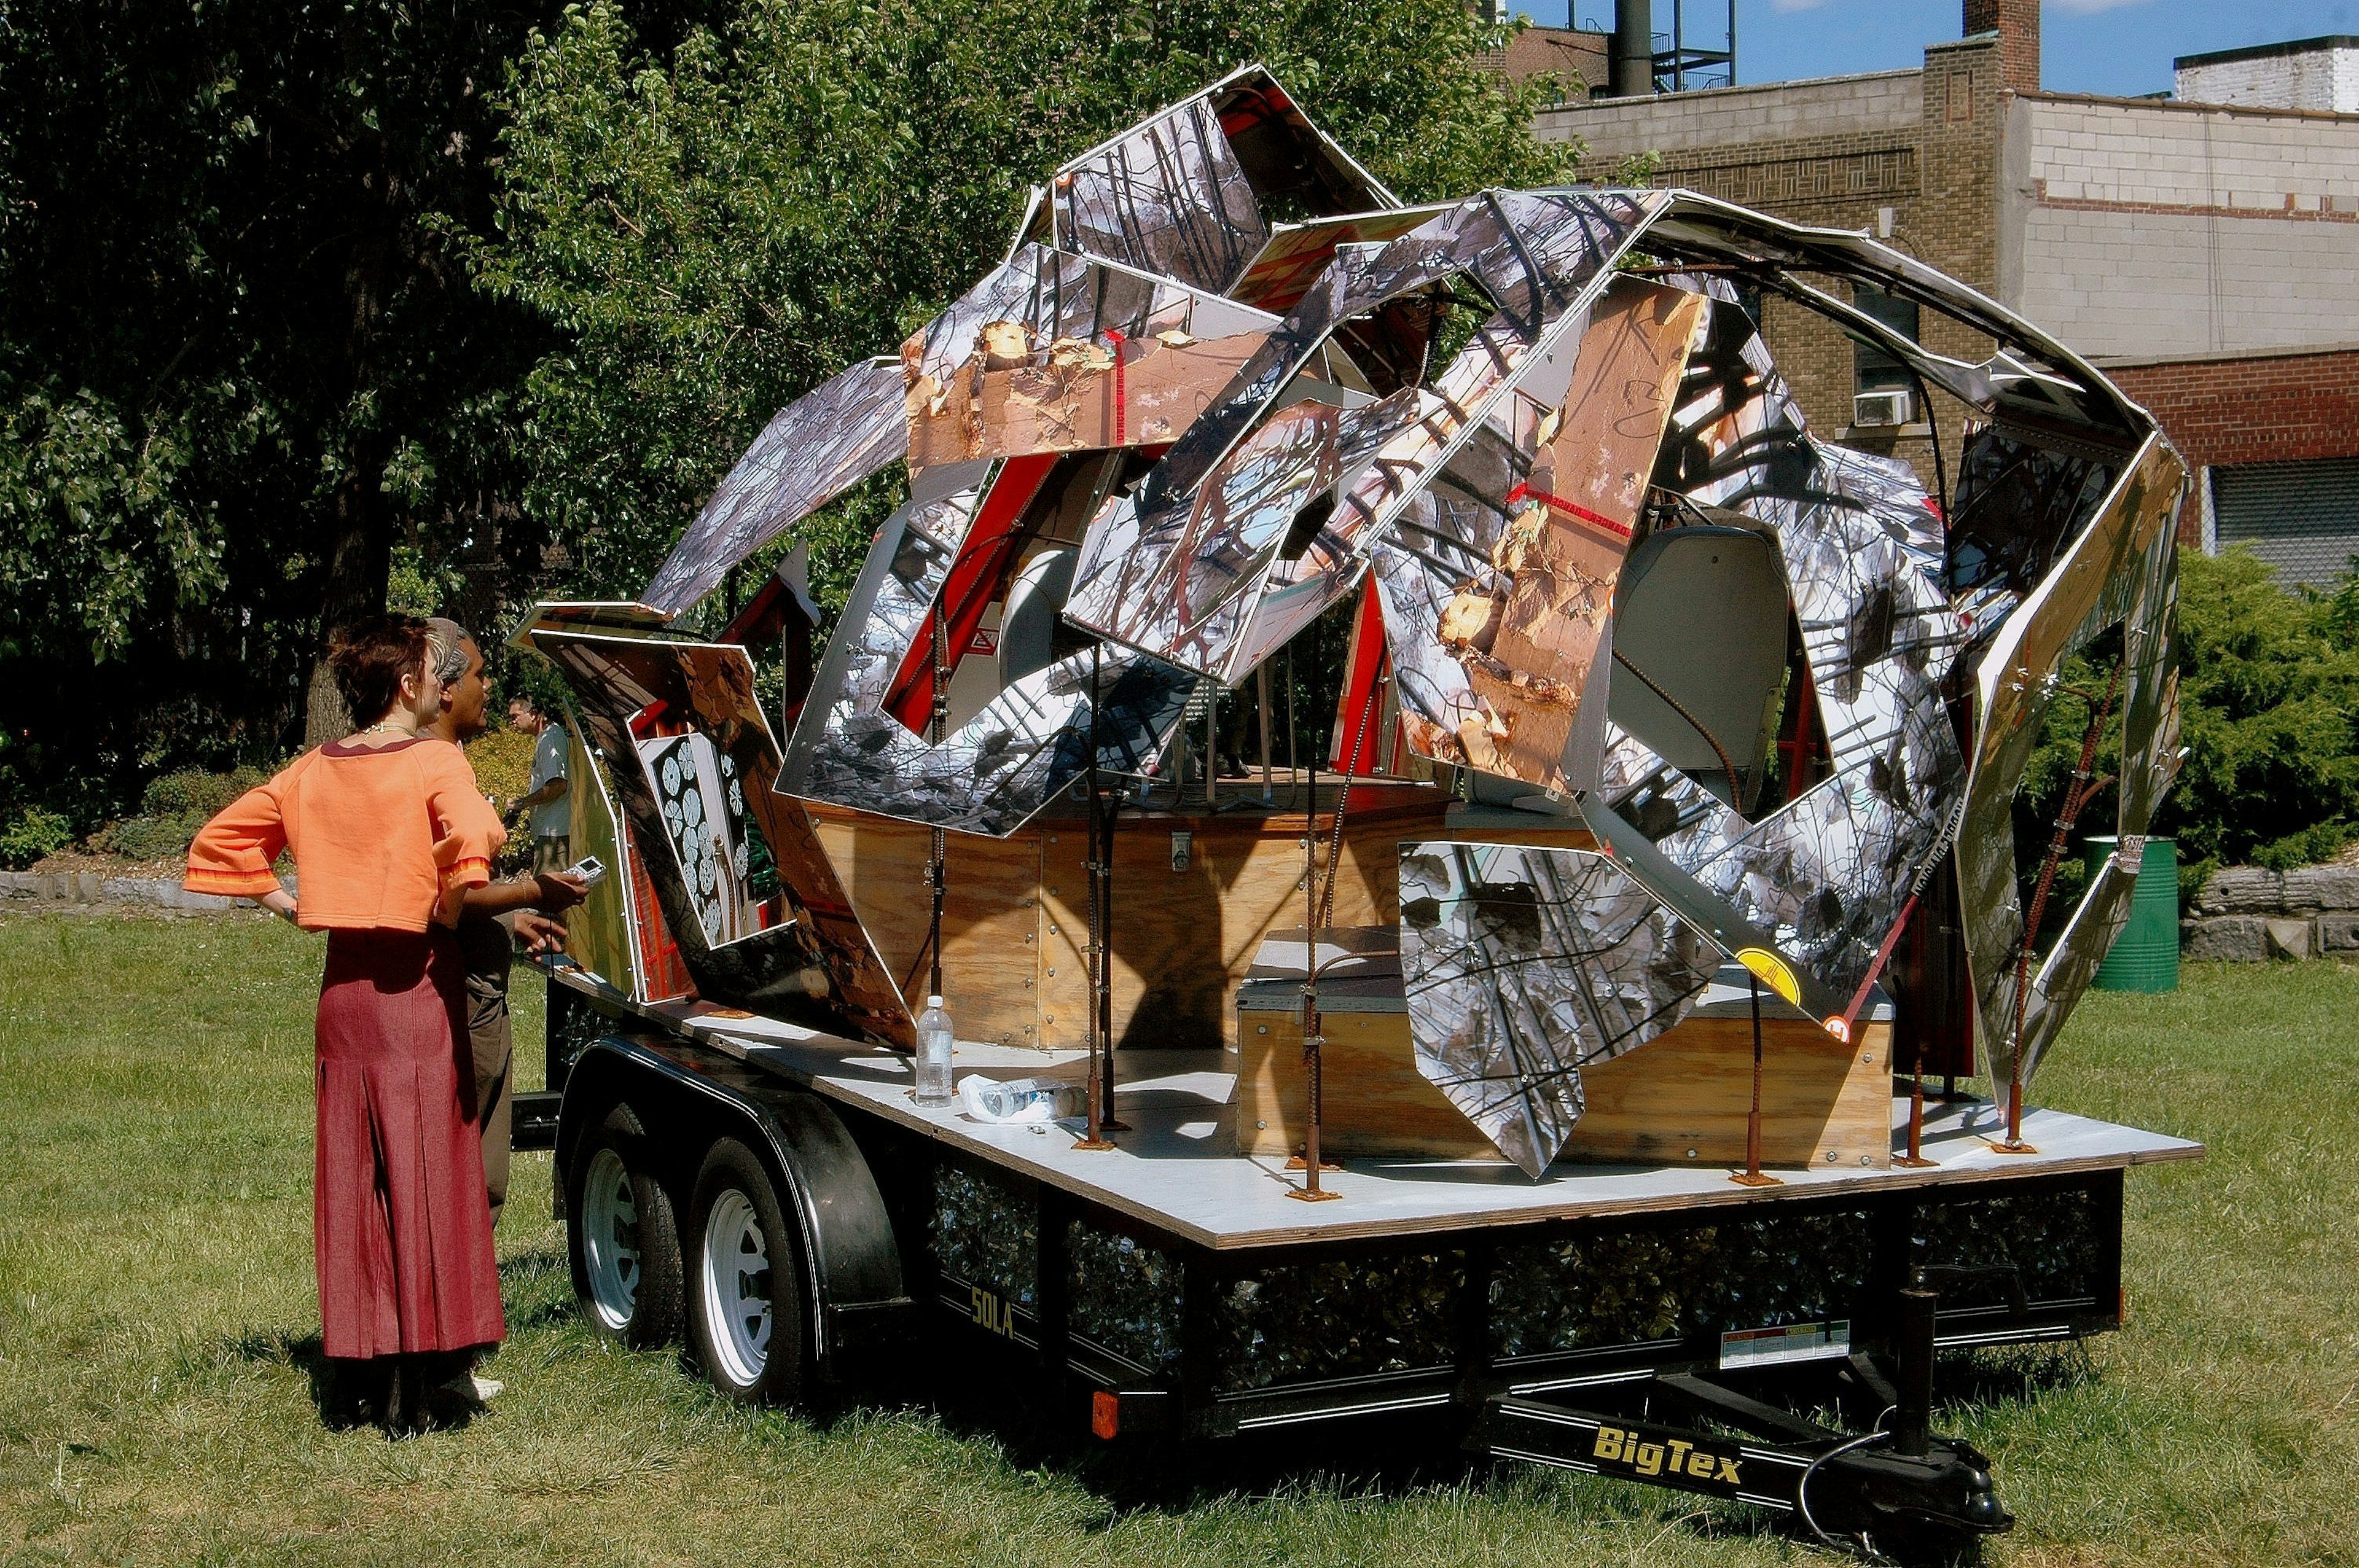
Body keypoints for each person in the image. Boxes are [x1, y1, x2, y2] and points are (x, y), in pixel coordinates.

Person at [184, 615, 506, 1434]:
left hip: (344, 999)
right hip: (412, 991)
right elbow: (477, 834)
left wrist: (292, 905)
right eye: (434, 667)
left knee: (357, 1181)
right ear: (408, 683)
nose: (443, 678)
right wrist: (449, 903)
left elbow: (221, 840)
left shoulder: (313, 767)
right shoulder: (434, 760)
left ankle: (357, 1379)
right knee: (424, 1173)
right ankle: (418, 1389)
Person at [420, 620, 581, 1243]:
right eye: (481, 675)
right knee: (465, 1161)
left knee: (478, 1160)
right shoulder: (432, 770)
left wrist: (512, 919)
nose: (491, 688)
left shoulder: (445, 762)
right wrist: (535, 892)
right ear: (443, 688)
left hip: (479, 987)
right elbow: (445, 896)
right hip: (464, 997)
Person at [508, 691, 571, 876]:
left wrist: (522, 803)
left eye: (515, 716)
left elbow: (558, 785)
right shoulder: (545, 738)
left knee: (549, 891)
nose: (512, 722)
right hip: (547, 833)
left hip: (553, 835)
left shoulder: (550, 739)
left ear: (534, 714)